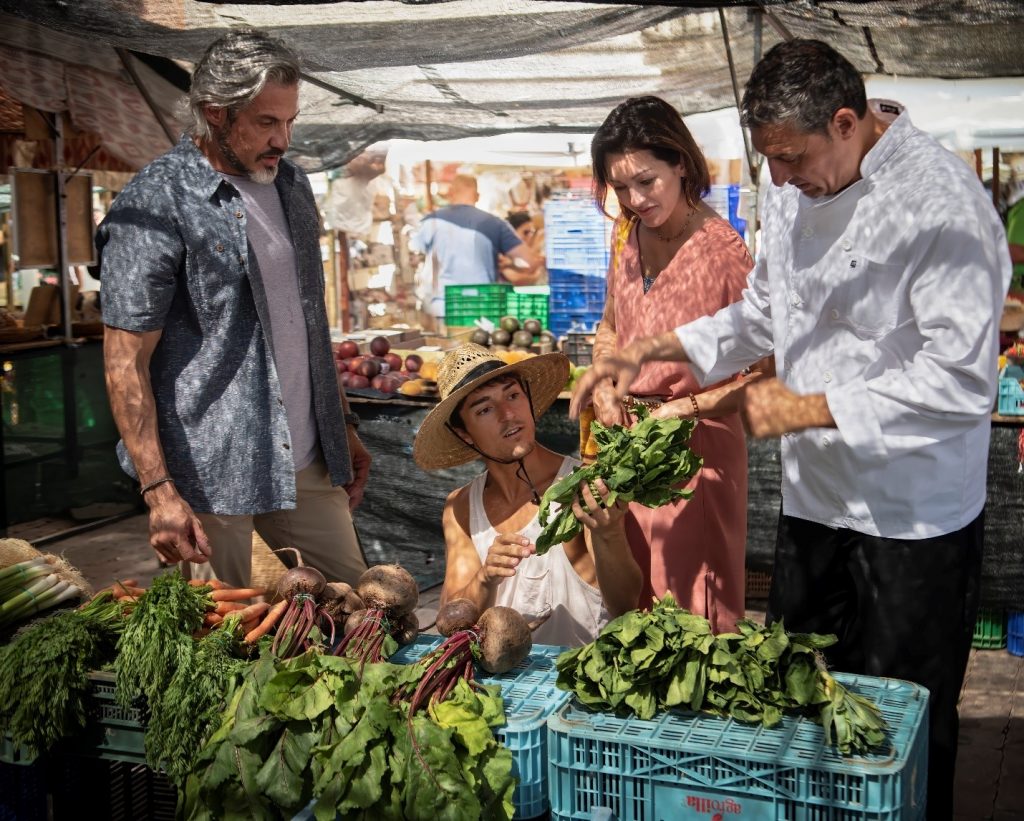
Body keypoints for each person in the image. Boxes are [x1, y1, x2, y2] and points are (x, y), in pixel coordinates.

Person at [571, 40, 1012, 817]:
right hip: (816, 499)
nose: (778, 179)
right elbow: (762, 314)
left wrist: (806, 406)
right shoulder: (792, 186)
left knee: (901, 720)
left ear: (847, 122)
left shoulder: (943, 206)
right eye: (767, 159)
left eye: (790, 158)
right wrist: (651, 350)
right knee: (804, 703)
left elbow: (958, 379)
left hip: (911, 511)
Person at [97, 29, 370, 589]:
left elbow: (307, 324)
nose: (284, 139)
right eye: (267, 123)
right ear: (215, 114)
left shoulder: (292, 186)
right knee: (217, 644)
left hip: (305, 460)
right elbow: (125, 361)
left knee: (363, 611)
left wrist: (342, 426)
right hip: (205, 476)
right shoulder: (154, 202)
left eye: (290, 121)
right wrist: (158, 490)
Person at [587, 95, 765, 633]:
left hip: (697, 458)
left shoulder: (723, 255)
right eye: (619, 188)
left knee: (692, 622)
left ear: (680, 163)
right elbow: (610, 323)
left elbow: (768, 373)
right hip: (630, 451)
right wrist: (603, 379)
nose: (634, 199)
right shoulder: (627, 234)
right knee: (634, 600)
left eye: (646, 181)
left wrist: (682, 408)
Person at [412, 344, 642, 646]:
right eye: (484, 409)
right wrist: (485, 577)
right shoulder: (462, 507)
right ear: (465, 434)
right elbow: (448, 620)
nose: (508, 415)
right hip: (505, 687)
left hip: (585, 679)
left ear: (529, 400)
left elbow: (627, 606)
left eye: (513, 395)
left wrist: (609, 532)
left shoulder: (582, 484)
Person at [411, 174, 540, 321]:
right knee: (478, 344)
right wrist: (508, 264)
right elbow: (529, 263)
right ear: (477, 196)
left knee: (447, 343)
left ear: (450, 193)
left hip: (443, 306)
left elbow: (414, 258)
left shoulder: (431, 222)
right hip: (482, 308)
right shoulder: (495, 224)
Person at [499, 210, 546, 284]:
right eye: (526, 232)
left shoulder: (538, 254)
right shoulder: (503, 254)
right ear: (512, 234)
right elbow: (516, 278)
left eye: (532, 232)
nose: (530, 236)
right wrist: (536, 276)